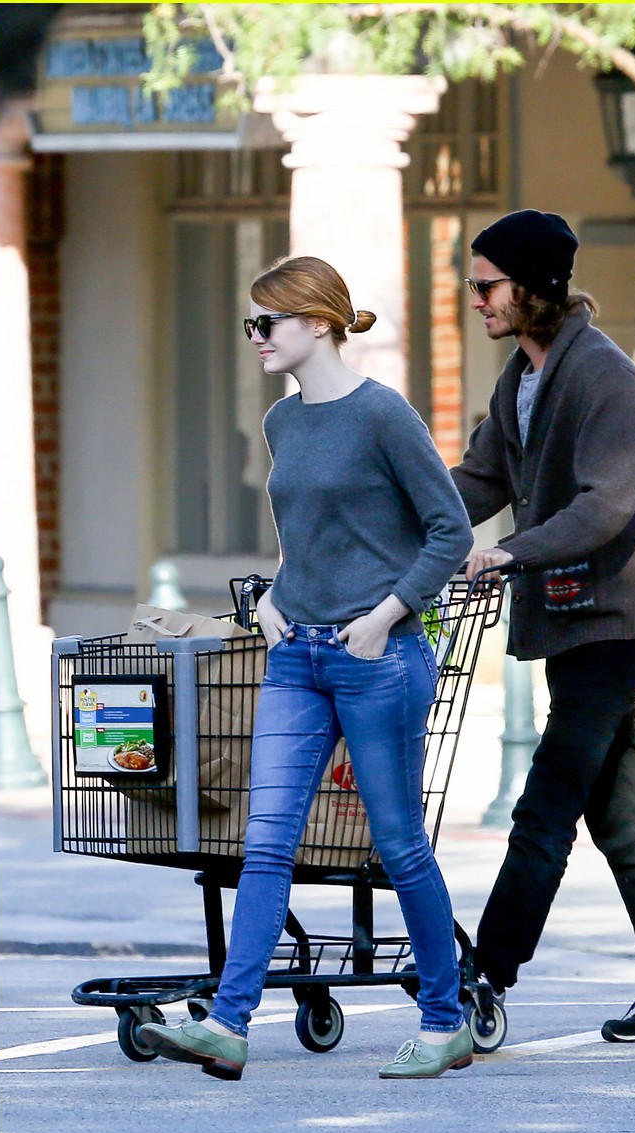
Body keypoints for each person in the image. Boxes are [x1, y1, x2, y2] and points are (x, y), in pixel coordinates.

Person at [141, 256, 475, 1080]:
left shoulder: (382, 415)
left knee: (398, 850)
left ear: (318, 323)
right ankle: (228, 1023)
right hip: (297, 656)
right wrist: (274, 602)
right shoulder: (283, 423)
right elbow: (308, 534)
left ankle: (445, 1022)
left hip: (378, 660)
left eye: (267, 323)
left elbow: (449, 533)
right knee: (265, 846)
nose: (254, 337)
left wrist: (384, 617)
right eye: (252, 323)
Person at [452, 209, 635, 1042]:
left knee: (546, 805)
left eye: (486, 286)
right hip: (568, 618)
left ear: (534, 287)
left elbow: (604, 506)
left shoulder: (601, 375)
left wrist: (508, 556)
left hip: (610, 622)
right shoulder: (520, 378)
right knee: (619, 814)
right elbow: (478, 478)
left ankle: (484, 974)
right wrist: (402, 525)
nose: (476, 301)